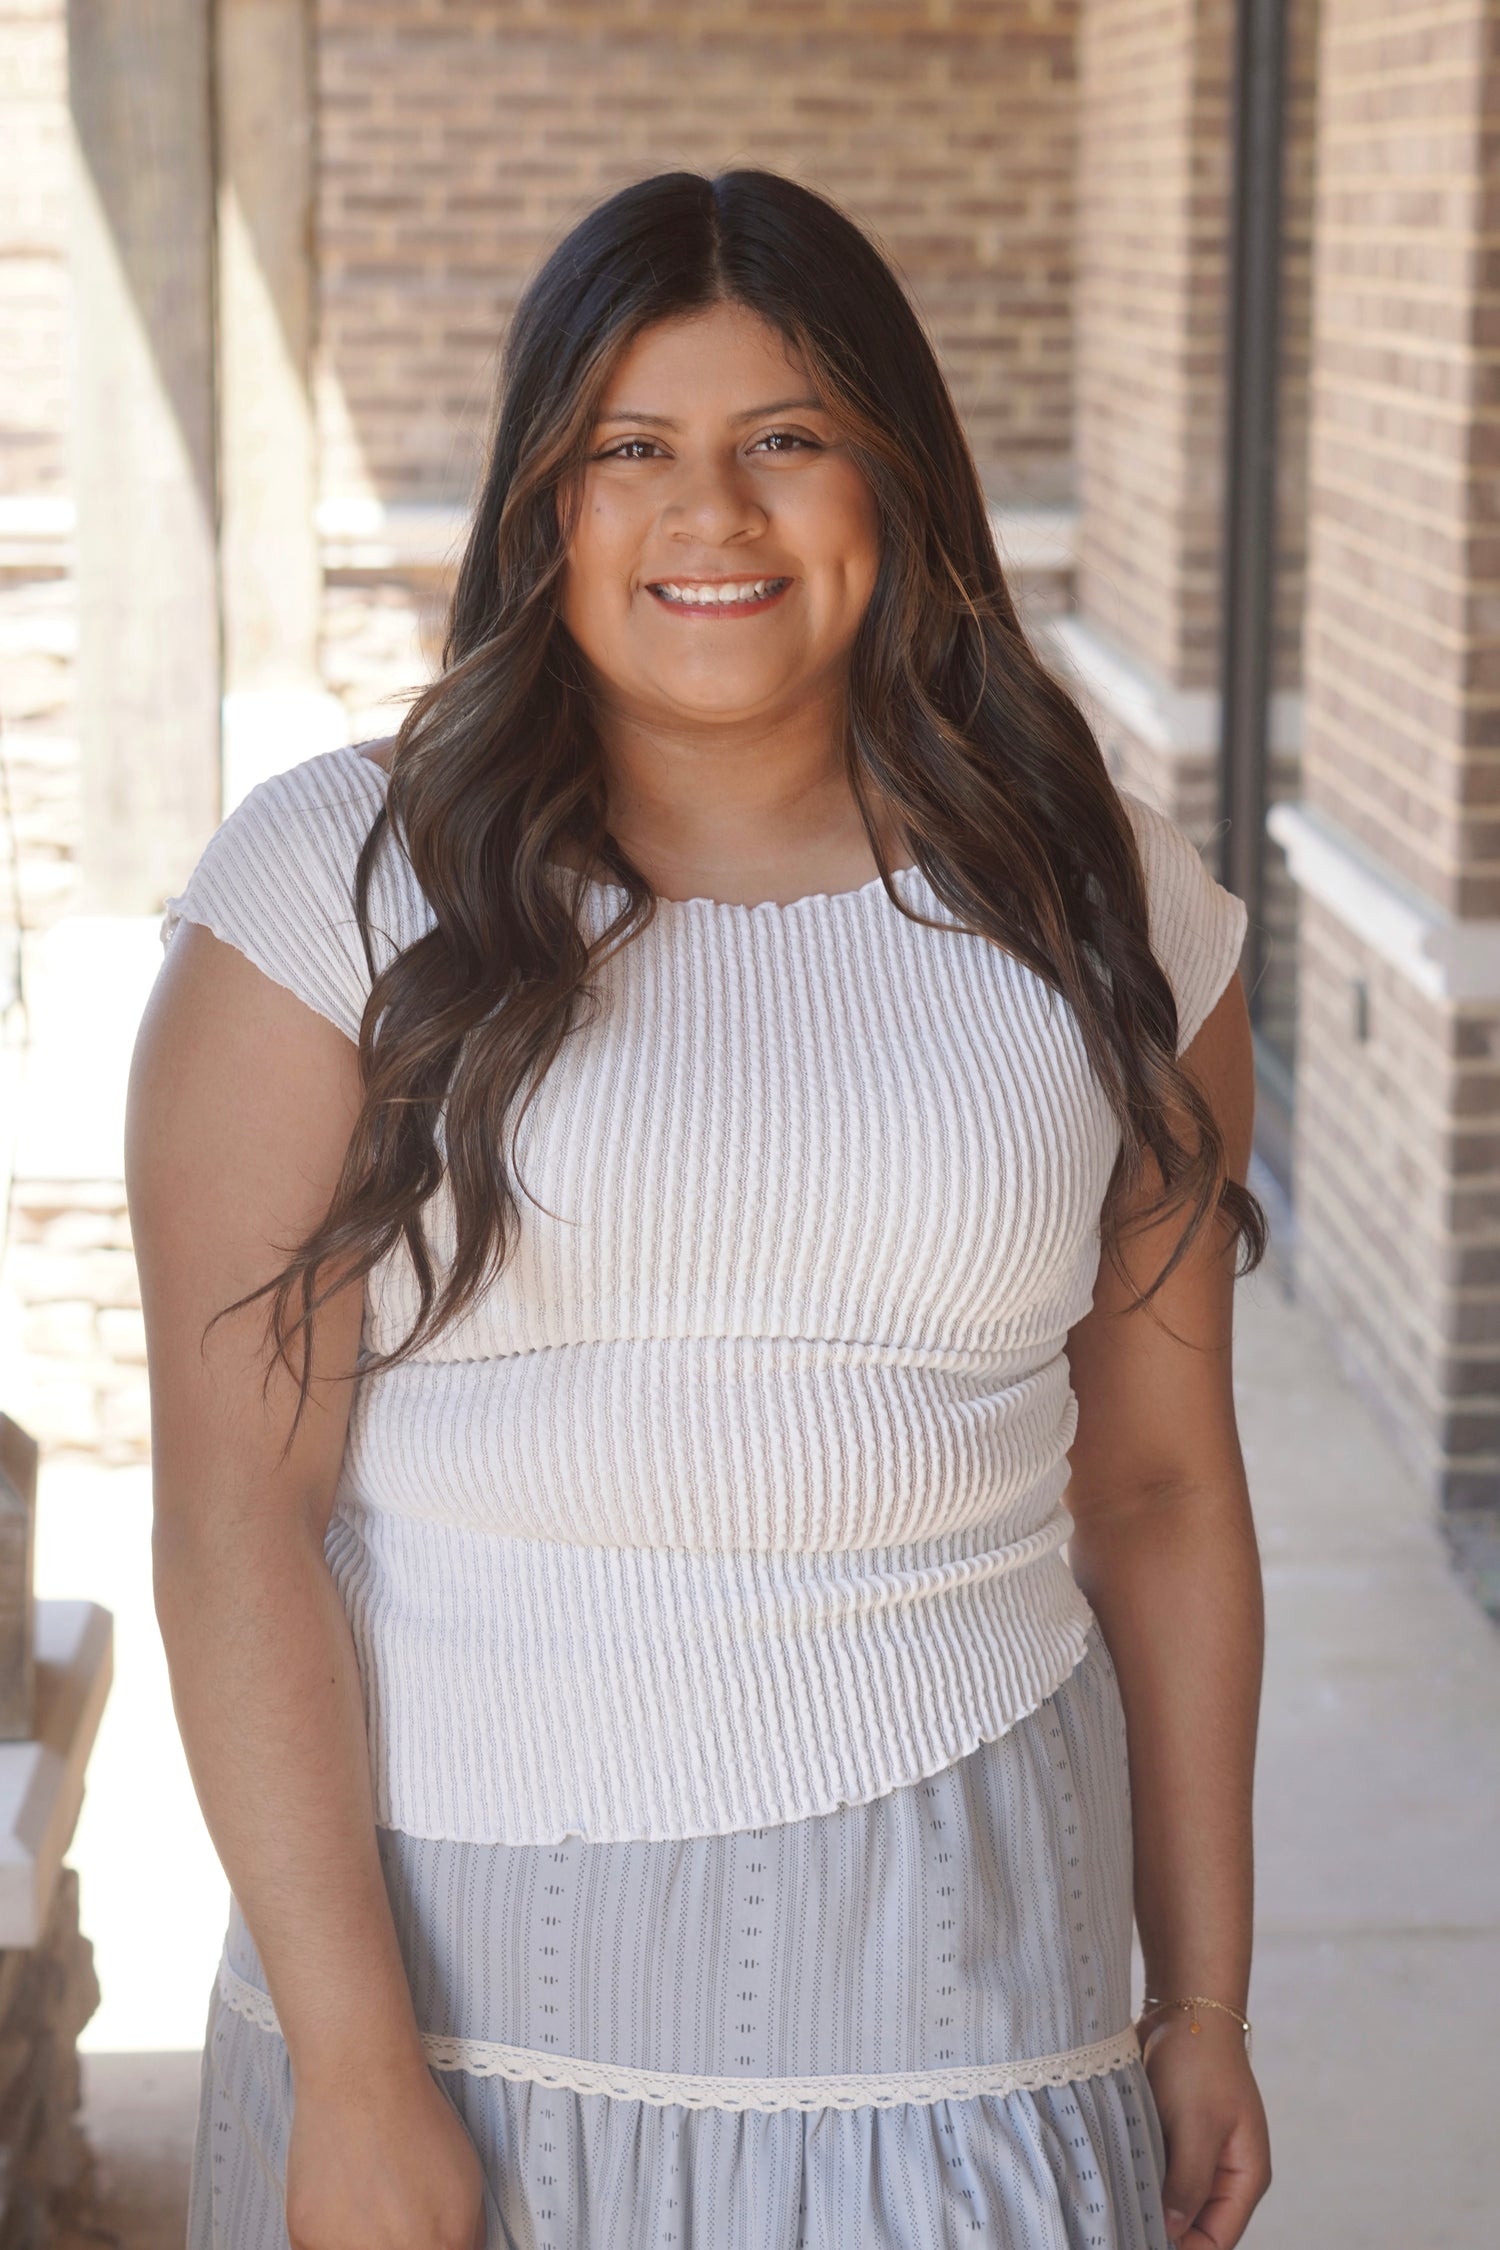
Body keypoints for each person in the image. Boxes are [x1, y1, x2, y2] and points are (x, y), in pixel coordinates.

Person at [126, 168, 1272, 2250]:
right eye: (629, 451)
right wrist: (359, 2071)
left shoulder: (1111, 907)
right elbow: (234, 1515)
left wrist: (1200, 1995)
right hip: (453, 1966)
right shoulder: (328, 899)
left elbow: (1168, 1493)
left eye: (786, 442)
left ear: (896, 484)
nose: (710, 521)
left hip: (966, 1959)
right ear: (538, 505)